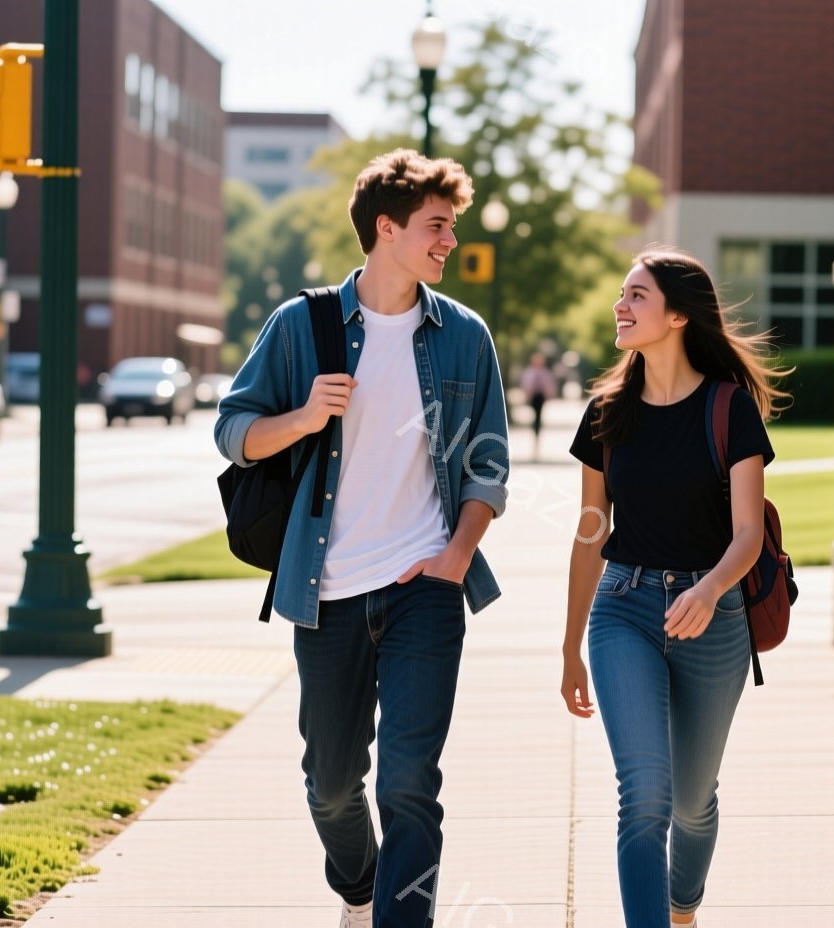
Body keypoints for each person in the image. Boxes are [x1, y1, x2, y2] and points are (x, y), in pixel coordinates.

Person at [214, 149, 510, 928]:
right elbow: (233, 432)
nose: (450, 241)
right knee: (332, 786)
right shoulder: (301, 326)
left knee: (409, 784)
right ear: (387, 228)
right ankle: (360, 888)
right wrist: (305, 417)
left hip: (425, 591)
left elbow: (488, 466)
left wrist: (455, 556)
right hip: (328, 594)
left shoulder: (464, 336)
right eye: (437, 225)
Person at [560, 249, 786, 928]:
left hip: (713, 618)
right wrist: (570, 647)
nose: (620, 306)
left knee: (691, 801)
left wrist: (709, 590)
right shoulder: (606, 413)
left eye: (637, 296)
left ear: (680, 315)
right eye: (622, 294)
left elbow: (748, 534)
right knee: (644, 797)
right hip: (622, 611)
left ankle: (682, 910)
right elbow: (591, 531)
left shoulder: (729, 409)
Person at [520, 351, 557, 460]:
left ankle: (536, 434)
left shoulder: (545, 372)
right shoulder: (529, 372)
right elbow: (525, 384)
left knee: (538, 417)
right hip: (532, 397)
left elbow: (549, 385)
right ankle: (534, 430)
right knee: (534, 418)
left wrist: (550, 394)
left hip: (540, 398)